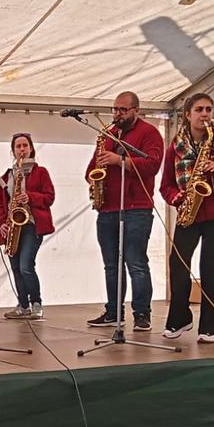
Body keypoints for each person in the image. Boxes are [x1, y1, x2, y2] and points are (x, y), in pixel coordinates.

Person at [159, 93, 214, 344]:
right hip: (189, 212)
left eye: (208, 109)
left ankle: (209, 328)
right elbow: (166, 186)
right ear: (188, 114)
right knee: (178, 265)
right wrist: (178, 199)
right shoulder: (175, 147)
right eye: (199, 109)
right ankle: (179, 318)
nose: (205, 114)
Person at [85, 91, 165, 332]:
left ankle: (142, 314)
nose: (117, 114)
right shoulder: (107, 135)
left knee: (136, 262)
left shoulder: (149, 133)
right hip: (107, 208)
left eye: (123, 110)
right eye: (115, 109)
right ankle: (113, 312)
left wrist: (120, 161)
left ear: (136, 111)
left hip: (137, 208)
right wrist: (94, 177)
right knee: (111, 265)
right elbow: (90, 169)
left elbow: (152, 165)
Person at [0, 133, 55, 320]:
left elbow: (49, 197)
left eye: (25, 145)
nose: (21, 149)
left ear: (31, 148)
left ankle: (36, 303)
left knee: (26, 266)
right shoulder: (7, 176)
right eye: (18, 146)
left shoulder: (41, 172)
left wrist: (31, 197)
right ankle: (23, 305)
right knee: (16, 268)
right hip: (13, 226)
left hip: (32, 225)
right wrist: (1, 223)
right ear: (13, 150)